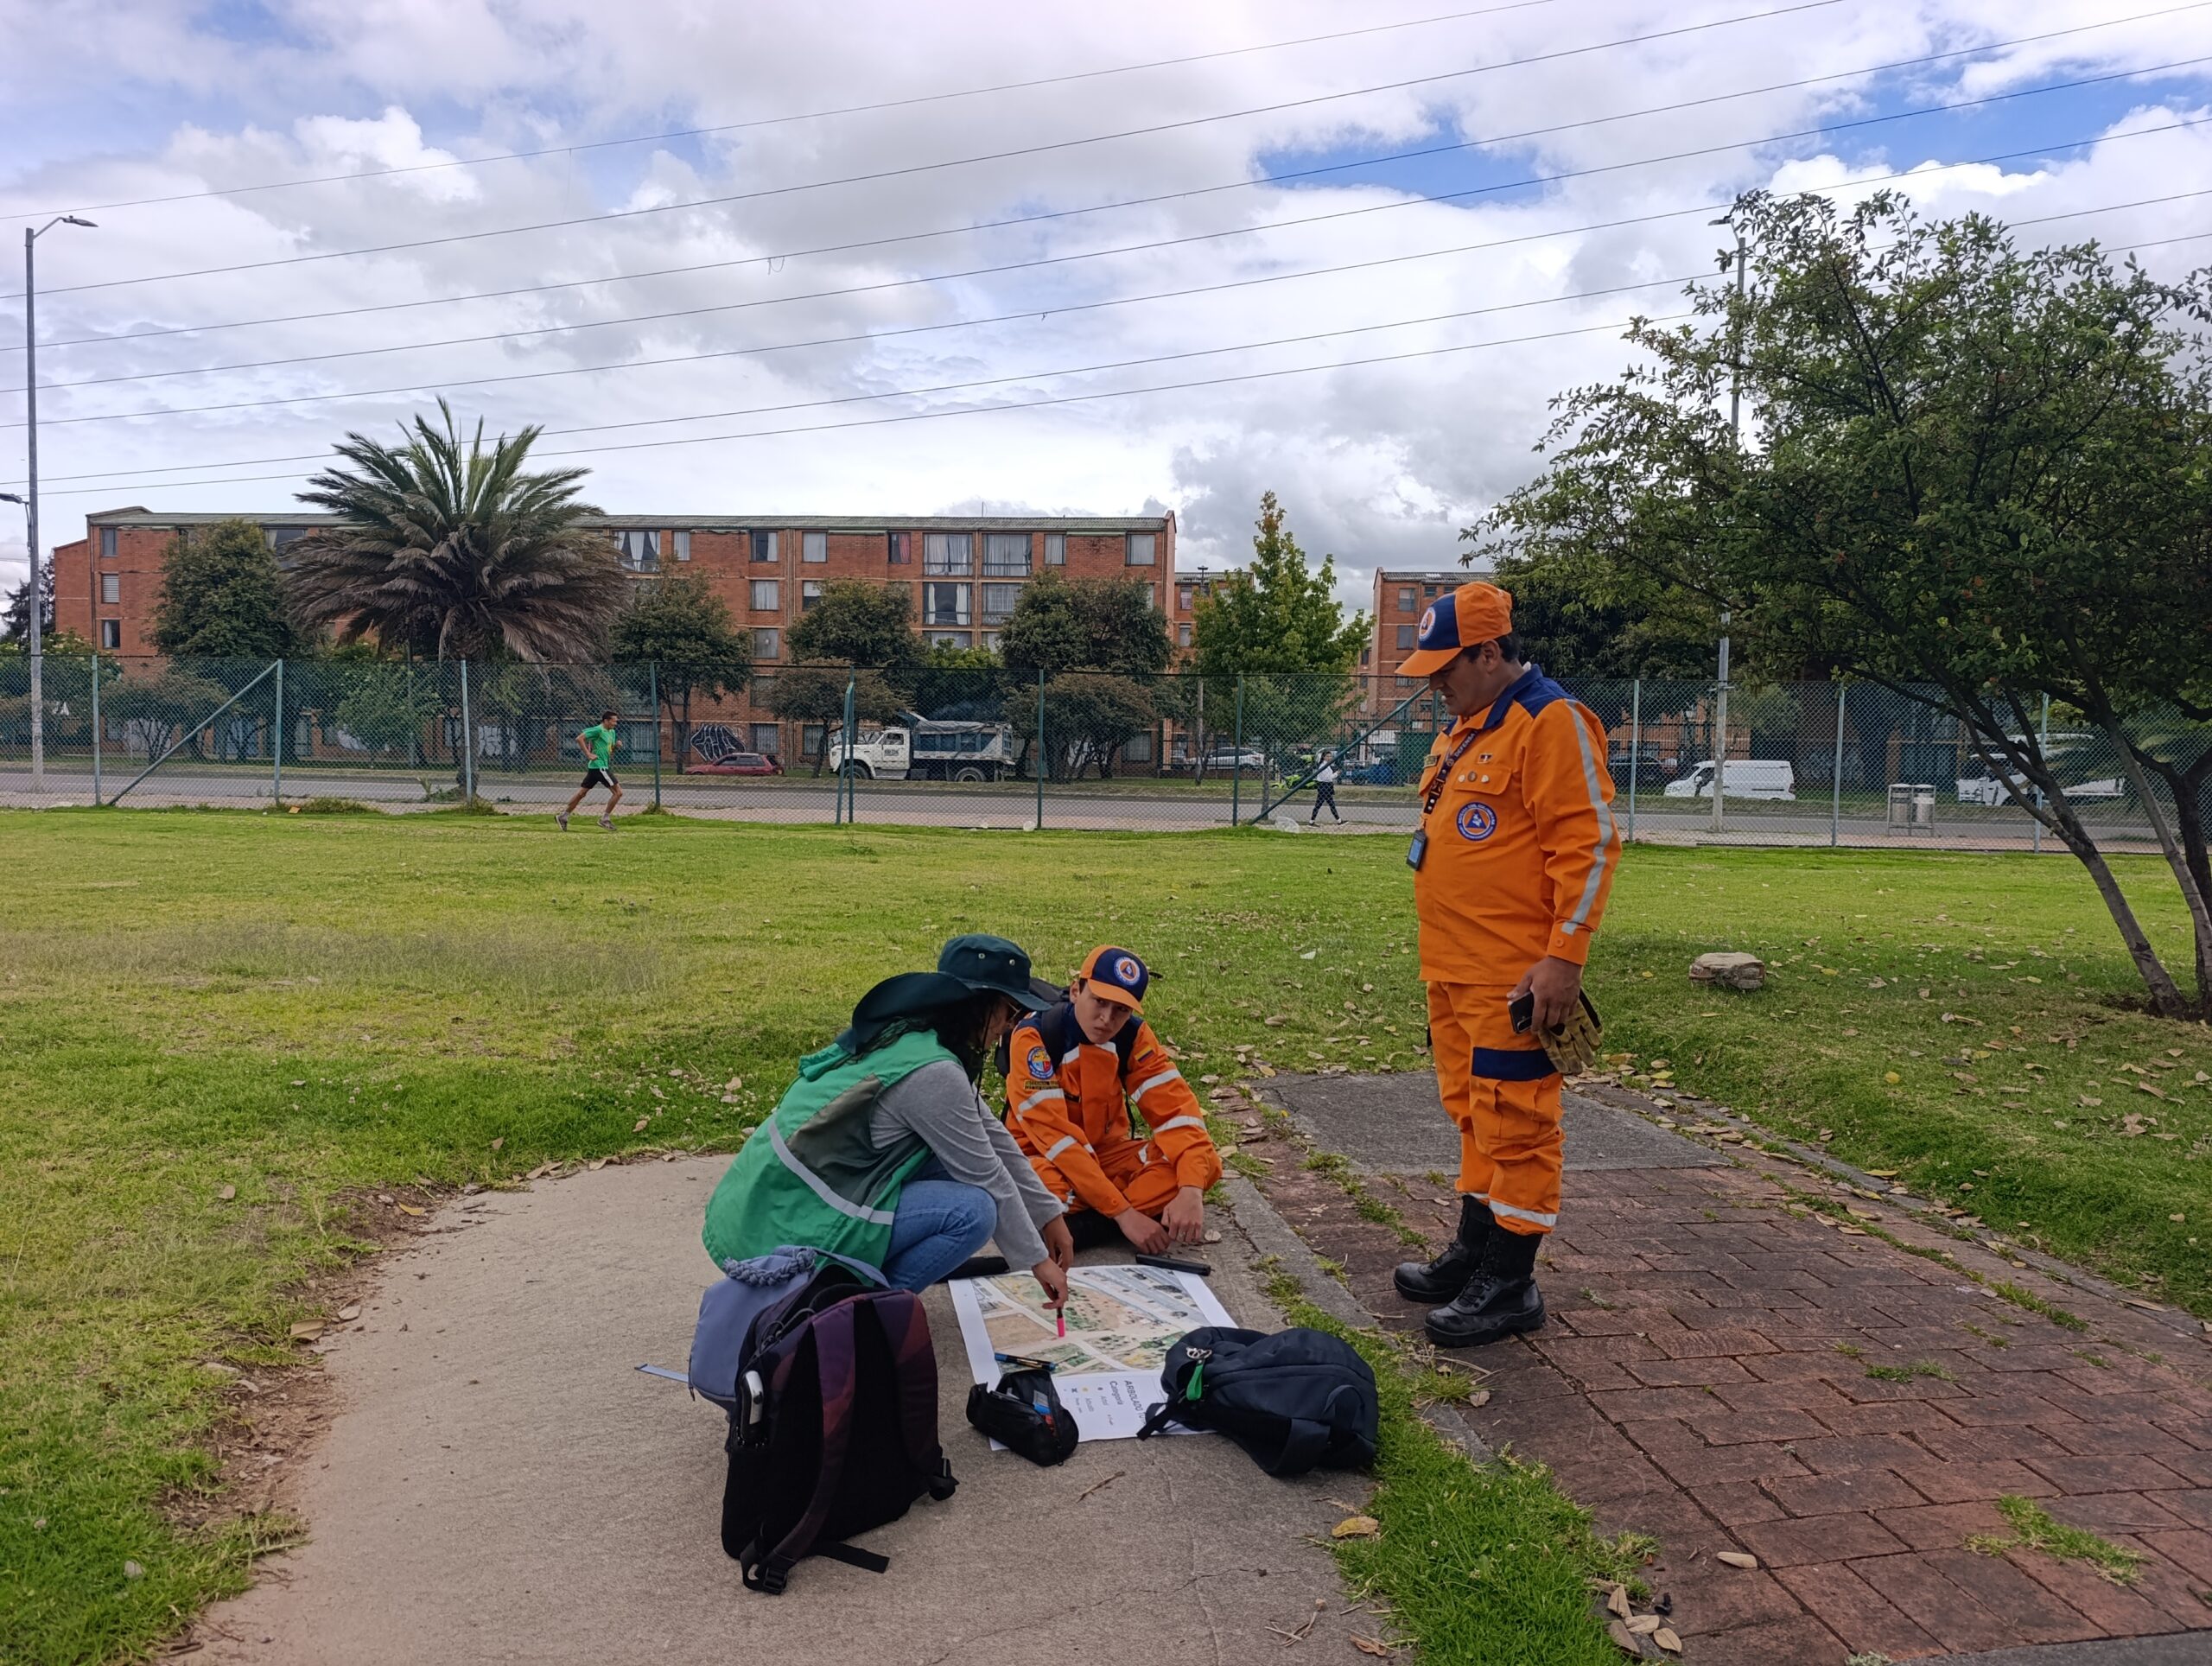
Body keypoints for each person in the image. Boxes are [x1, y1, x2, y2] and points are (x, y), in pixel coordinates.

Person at [1387, 583, 1621, 1348]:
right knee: (1471, 1112)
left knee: (1517, 1124)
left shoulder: (1549, 722)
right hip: (1452, 969)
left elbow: (1586, 847)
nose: (1435, 684)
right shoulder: (1465, 728)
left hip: (1515, 977)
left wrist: (1564, 958)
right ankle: (1474, 1249)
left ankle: (1511, 1282)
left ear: (1490, 653)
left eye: (1446, 668)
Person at [702, 934, 1072, 1311]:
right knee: (974, 1212)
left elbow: (992, 1137)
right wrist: (1035, 1260)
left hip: (774, 1203)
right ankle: (847, 1310)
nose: (1010, 1027)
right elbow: (985, 1174)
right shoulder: (934, 1073)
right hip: (788, 1224)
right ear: (976, 1005)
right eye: (1010, 1012)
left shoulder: (915, 1036)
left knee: (956, 1165)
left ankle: (853, 1291)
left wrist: (1048, 1215)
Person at [1005, 947, 1223, 1255]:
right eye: (1100, 1001)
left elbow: (1177, 1115)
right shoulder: (1036, 1037)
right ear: (1076, 991)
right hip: (1044, 1157)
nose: (1107, 1019)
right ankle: (1117, 1217)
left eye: (1121, 1010)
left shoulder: (1134, 1037)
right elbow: (1057, 1142)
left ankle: (1085, 1225)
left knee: (1202, 1165)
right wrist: (1124, 1213)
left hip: (1106, 1155)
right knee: (1039, 1188)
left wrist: (1191, 1191)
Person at [560, 709, 625, 830]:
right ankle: (605, 819)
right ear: (606, 721)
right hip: (599, 766)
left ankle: (563, 816)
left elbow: (610, 752)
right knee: (618, 793)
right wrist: (588, 754)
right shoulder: (598, 730)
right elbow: (579, 738)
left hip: (597, 767)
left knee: (582, 793)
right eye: (614, 721)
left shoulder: (612, 733)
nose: (616, 723)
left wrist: (616, 746)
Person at [1311, 751, 1343, 823]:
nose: (1329, 758)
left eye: (1330, 756)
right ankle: (1311, 821)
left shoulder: (1327, 765)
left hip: (1327, 787)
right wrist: (1336, 774)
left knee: (1329, 804)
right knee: (1321, 804)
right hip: (1324, 786)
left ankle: (1339, 820)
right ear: (1324, 757)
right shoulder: (1323, 766)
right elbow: (1328, 778)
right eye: (1327, 756)